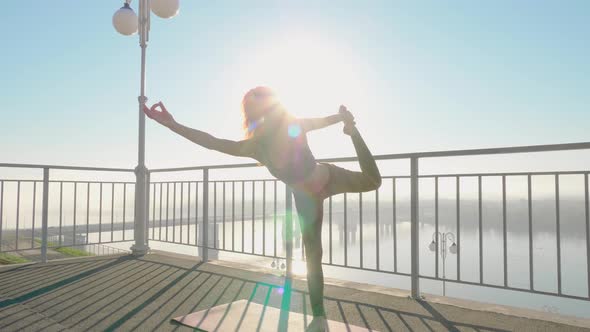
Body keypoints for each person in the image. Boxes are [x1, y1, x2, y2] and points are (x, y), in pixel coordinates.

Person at [143, 86, 381, 332]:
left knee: (374, 181)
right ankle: (319, 317)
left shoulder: (294, 125)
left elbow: (323, 121)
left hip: (329, 177)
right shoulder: (257, 146)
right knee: (313, 254)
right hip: (306, 199)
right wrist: (172, 124)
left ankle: (353, 134)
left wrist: (343, 120)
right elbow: (212, 142)